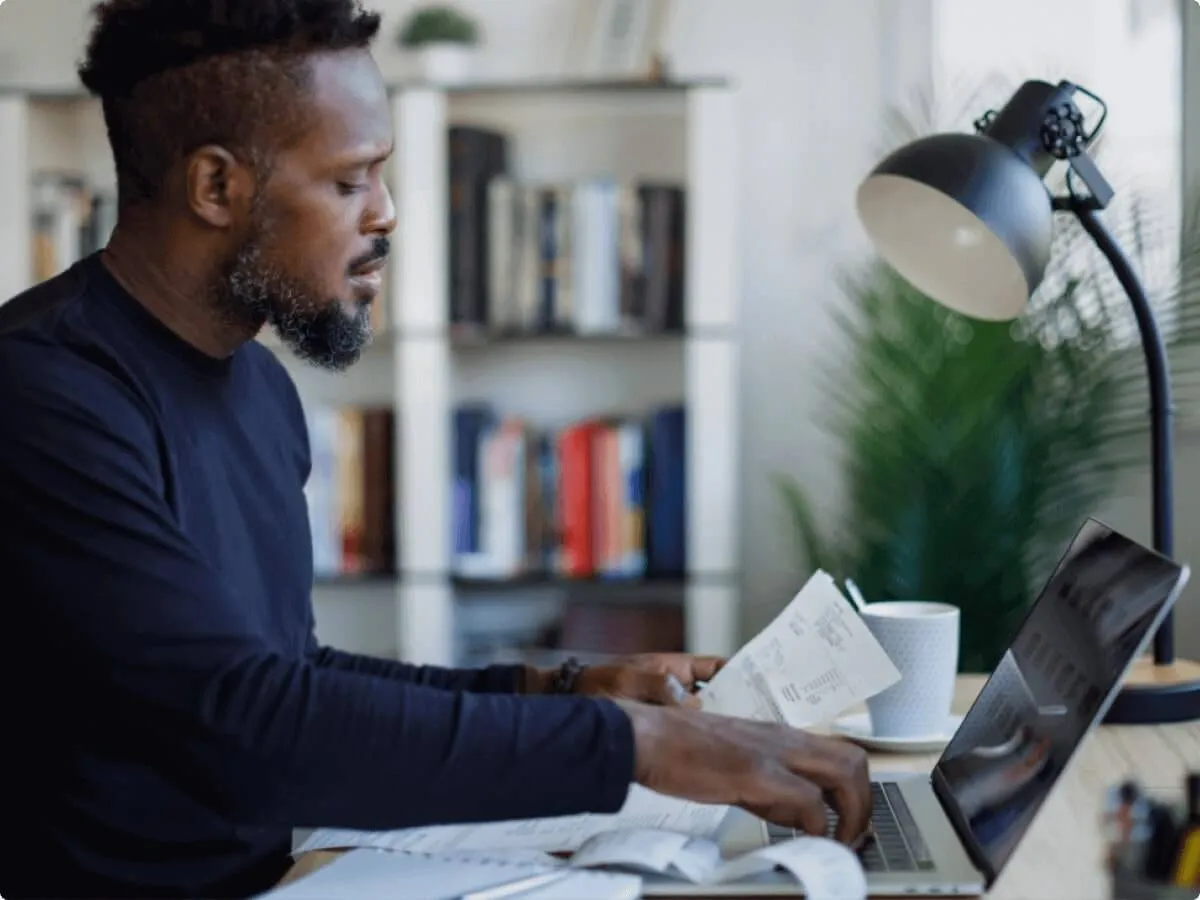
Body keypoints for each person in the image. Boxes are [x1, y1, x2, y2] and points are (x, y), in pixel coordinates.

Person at [0, 1, 872, 897]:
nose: (386, 214)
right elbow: (245, 728)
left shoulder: (254, 388)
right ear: (216, 187)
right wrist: (642, 745)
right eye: (350, 182)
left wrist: (564, 689)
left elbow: (293, 674)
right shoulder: (43, 397)